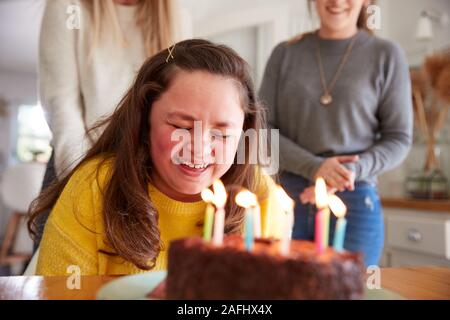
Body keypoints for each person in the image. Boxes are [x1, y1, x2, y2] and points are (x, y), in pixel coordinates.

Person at [28, 40, 286, 276]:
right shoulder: (95, 187)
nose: (199, 148)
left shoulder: (260, 197)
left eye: (221, 133)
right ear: (144, 121)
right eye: (181, 127)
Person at [259, 0, 413, 266]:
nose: (337, 2)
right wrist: (315, 167)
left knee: (348, 290)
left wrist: (348, 172)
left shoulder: (386, 54)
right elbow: (260, 131)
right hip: (288, 197)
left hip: (355, 197)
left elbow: (399, 137)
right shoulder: (284, 54)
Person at [36, 0, 191, 245]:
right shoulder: (68, 8)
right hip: (75, 165)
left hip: (147, 175)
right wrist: (87, 184)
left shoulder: (177, 18)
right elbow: (63, 107)